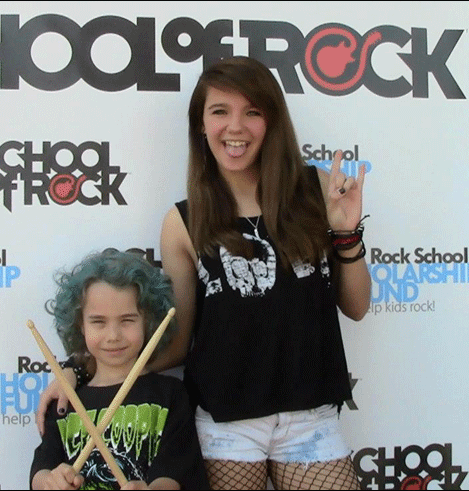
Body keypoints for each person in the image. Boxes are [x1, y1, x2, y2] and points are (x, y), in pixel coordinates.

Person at [37, 56, 371, 490]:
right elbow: (176, 343)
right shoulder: (183, 221)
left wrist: (346, 234)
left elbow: (357, 306)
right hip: (225, 424)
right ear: (201, 123)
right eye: (220, 111)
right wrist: (79, 370)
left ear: (271, 121)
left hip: (310, 417)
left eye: (252, 111)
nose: (236, 127)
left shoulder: (318, 189)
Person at [30, 249, 210, 490]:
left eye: (127, 320)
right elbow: (42, 470)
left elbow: (176, 474)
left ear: (149, 322)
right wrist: (50, 481)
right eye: (98, 321)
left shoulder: (170, 394)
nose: (113, 336)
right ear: (80, 325)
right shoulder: (65, 400)